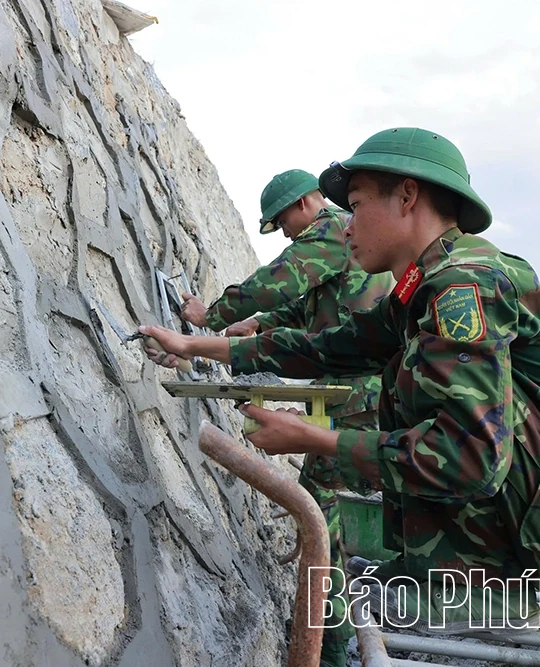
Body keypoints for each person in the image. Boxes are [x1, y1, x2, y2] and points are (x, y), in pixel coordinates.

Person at [141, 128, 540, 633]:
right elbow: (333, 345)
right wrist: (198, 345)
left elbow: (472, 456)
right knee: (407, 372)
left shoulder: (463, 285)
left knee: (437, 397)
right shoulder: (425, 286)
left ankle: (481, 587)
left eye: (355, 207)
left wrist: (313, 438)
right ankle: (460, 577)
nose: (346, 227)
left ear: (407, 197)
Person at [180, 169, 392, 663]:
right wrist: (242, 329)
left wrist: (207, 317)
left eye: (283, 225)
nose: (288, 234)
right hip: (352, 392)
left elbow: (278, 283)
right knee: (318, 510)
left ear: (302, 205)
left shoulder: (333, 231)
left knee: (318, 511)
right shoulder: (342, 249)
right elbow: (302, 312)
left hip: (360, 394)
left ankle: (331, 647)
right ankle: (331, 636)